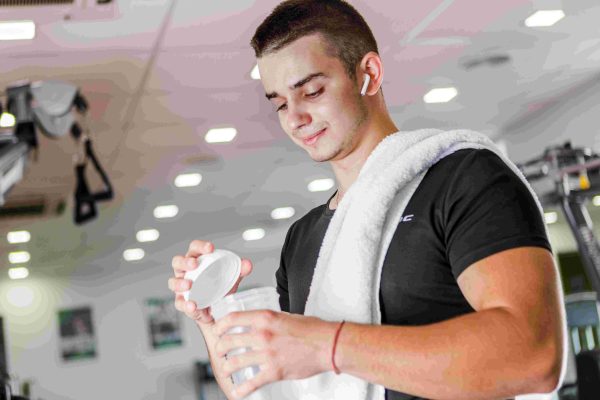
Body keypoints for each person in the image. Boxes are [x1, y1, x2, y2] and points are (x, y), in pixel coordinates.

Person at [168, 1, 566, 399]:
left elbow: (533, 355)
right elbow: (274, 388)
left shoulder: (464, 179)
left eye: (312, 91)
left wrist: (327, 345)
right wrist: (214, 319)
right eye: (280, 104)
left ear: (369, 74)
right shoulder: (303, 238)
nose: (294, 118)